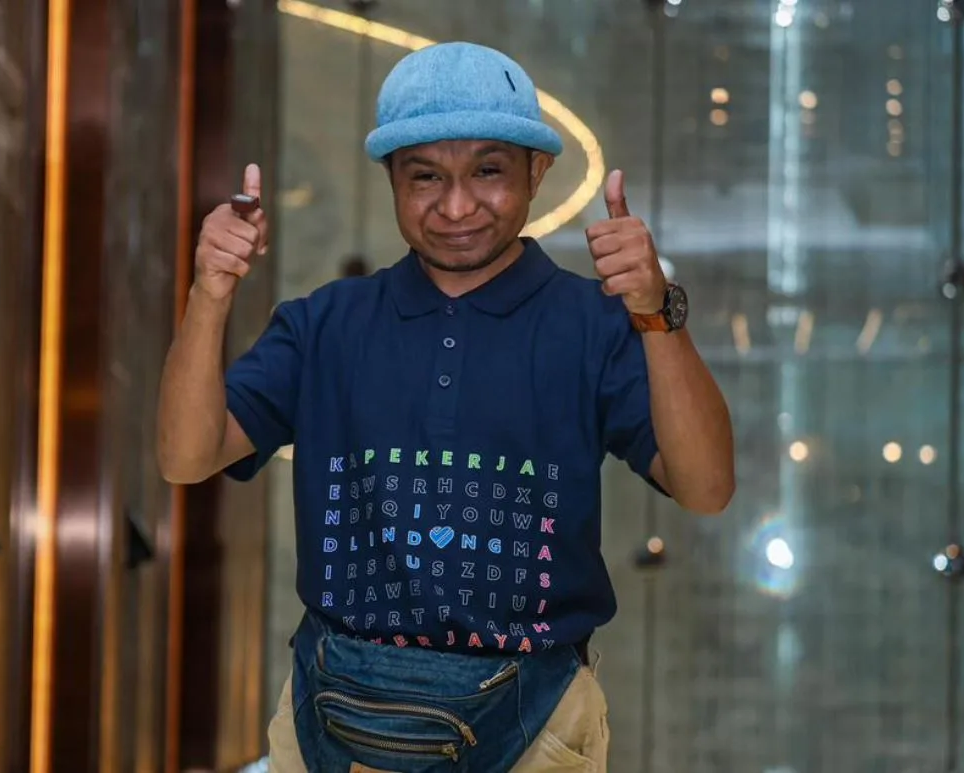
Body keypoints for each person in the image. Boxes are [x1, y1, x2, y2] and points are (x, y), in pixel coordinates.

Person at [157, 42, 734, 773]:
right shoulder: (324, 323)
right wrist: (209, 291)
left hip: (535, 727)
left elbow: (706, 486)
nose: (457, 207)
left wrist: (655, 314)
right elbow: (186, 456)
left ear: (537, 172)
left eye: (488, 171)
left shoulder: (593, 324)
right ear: (392, 181)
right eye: (425, 176)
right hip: (334, 720)